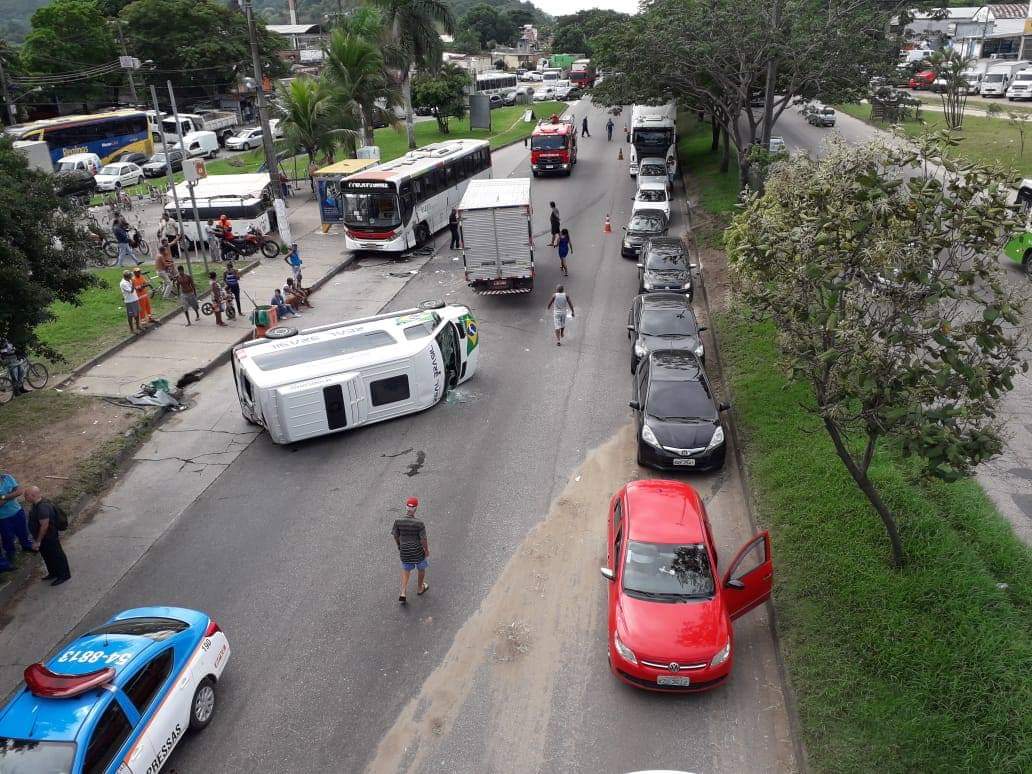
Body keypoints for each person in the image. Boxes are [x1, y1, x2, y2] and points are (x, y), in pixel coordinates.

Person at [24, 486, 70, 586]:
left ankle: (64, 575)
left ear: (33, 495)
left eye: (26, 496)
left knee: (56, 556)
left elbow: (44, 526)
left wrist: (38, 541)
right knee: (47, 556)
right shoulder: (36, 504)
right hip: (43, 538)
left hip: (49, 537)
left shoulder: (42, 507)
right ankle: (53, 573)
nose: (24, 498)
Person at [392, 496, 429, 604]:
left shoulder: (398, 521)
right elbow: (423, 539)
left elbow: (395, 535)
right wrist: (426, 550)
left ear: (406, 507)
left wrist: (399, 545)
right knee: (421, 569)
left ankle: (403, 592)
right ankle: (420, 588)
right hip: (417, 552)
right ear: (416, 508)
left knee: (406, 570)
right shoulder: (419, 523)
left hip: (404, 551)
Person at [0, 470, 34, 573]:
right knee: (7, 537)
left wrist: (4, 497)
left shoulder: (7, 477)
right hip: (3, 517)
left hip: (17, 511)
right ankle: (10, 553)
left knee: (22, 531)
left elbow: (20, 491)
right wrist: (12, 494)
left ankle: (26, 545)